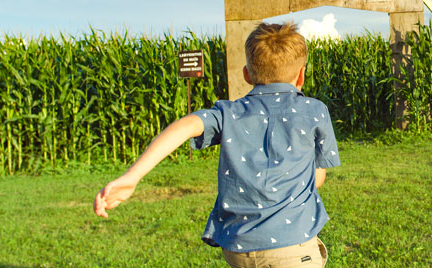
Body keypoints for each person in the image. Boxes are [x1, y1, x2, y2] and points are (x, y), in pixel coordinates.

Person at [94, 22, 340, 268]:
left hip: (239, 249)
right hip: (293, 247)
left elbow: (186, 125)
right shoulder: (315, 111)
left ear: (247, 74)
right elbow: (318, 178)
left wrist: (133, 176)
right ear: (301, 74)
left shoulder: (228, 112)